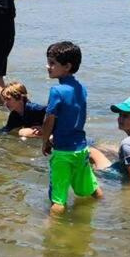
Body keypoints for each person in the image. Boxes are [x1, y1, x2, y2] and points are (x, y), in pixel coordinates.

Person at [39, 41, 102, 213]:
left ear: (67, 66)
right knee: (91, 189)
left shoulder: (57, 91)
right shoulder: (82, 89)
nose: (48, 66)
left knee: (58, 200)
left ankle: (52, 232)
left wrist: (45, 141)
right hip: (81, 149)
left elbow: (49, 120)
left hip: (62, 153)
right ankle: (105, 208)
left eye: (52, 63)